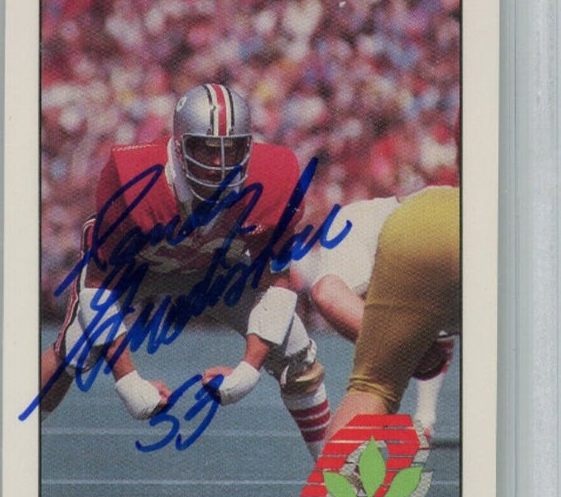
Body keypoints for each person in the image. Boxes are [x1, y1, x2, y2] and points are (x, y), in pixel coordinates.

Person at [40, 82, 332, 459]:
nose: (219, 163)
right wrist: (128, 381)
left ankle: (335, 471)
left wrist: (248, 371)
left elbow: (275, 280)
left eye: (232, 148)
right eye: (205, 148)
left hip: (216, 270)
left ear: (249, 145)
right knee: (75, 350)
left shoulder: (276, 175)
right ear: (178, 145)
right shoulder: (134, 177)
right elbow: (99, 286)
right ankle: (11, 440)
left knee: (297, 351)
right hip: (137, 270)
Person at [315, 185, 460, 443]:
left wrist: (410, 351)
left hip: (419, 225)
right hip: (471, 221)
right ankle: (426, 415)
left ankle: (337, 478)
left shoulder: (359, 220)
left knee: (372, 387)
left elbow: (327, 293)